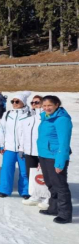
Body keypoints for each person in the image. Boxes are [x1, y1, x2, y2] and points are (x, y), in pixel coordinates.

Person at [37, 95, 73, 224]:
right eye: (44, 105)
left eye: (49, 105)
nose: (46, 108)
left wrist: (60, 162)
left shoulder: (62, 120)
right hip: (44, 155)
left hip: (55, 156)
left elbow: (64, 143)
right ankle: (54, 208)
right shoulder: (45, 117)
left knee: (60, 185)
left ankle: (65, 214)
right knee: (50, 183)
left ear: (57, 105)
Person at [0, 91, 31, 198]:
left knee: (24, 171)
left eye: (17, 101)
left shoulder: (30, 115)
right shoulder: (7, 114)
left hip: (24, 149)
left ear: (24, 102)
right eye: (13, 101)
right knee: (6, 169)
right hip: (9, 148)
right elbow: (2, 130)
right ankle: (4, 190)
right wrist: (1, 145)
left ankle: (25, 191)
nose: (14, 103)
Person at [18, 95, 47, 207]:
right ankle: (35, 196)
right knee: (31, 174)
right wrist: (21, 149)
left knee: (44, 175)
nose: (34, 104)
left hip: (42, 152)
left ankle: (47, 197)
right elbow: (22, 135)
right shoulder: (29, 117)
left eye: (37, 102)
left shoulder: (45, 117)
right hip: (29, 151)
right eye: (32, 103)